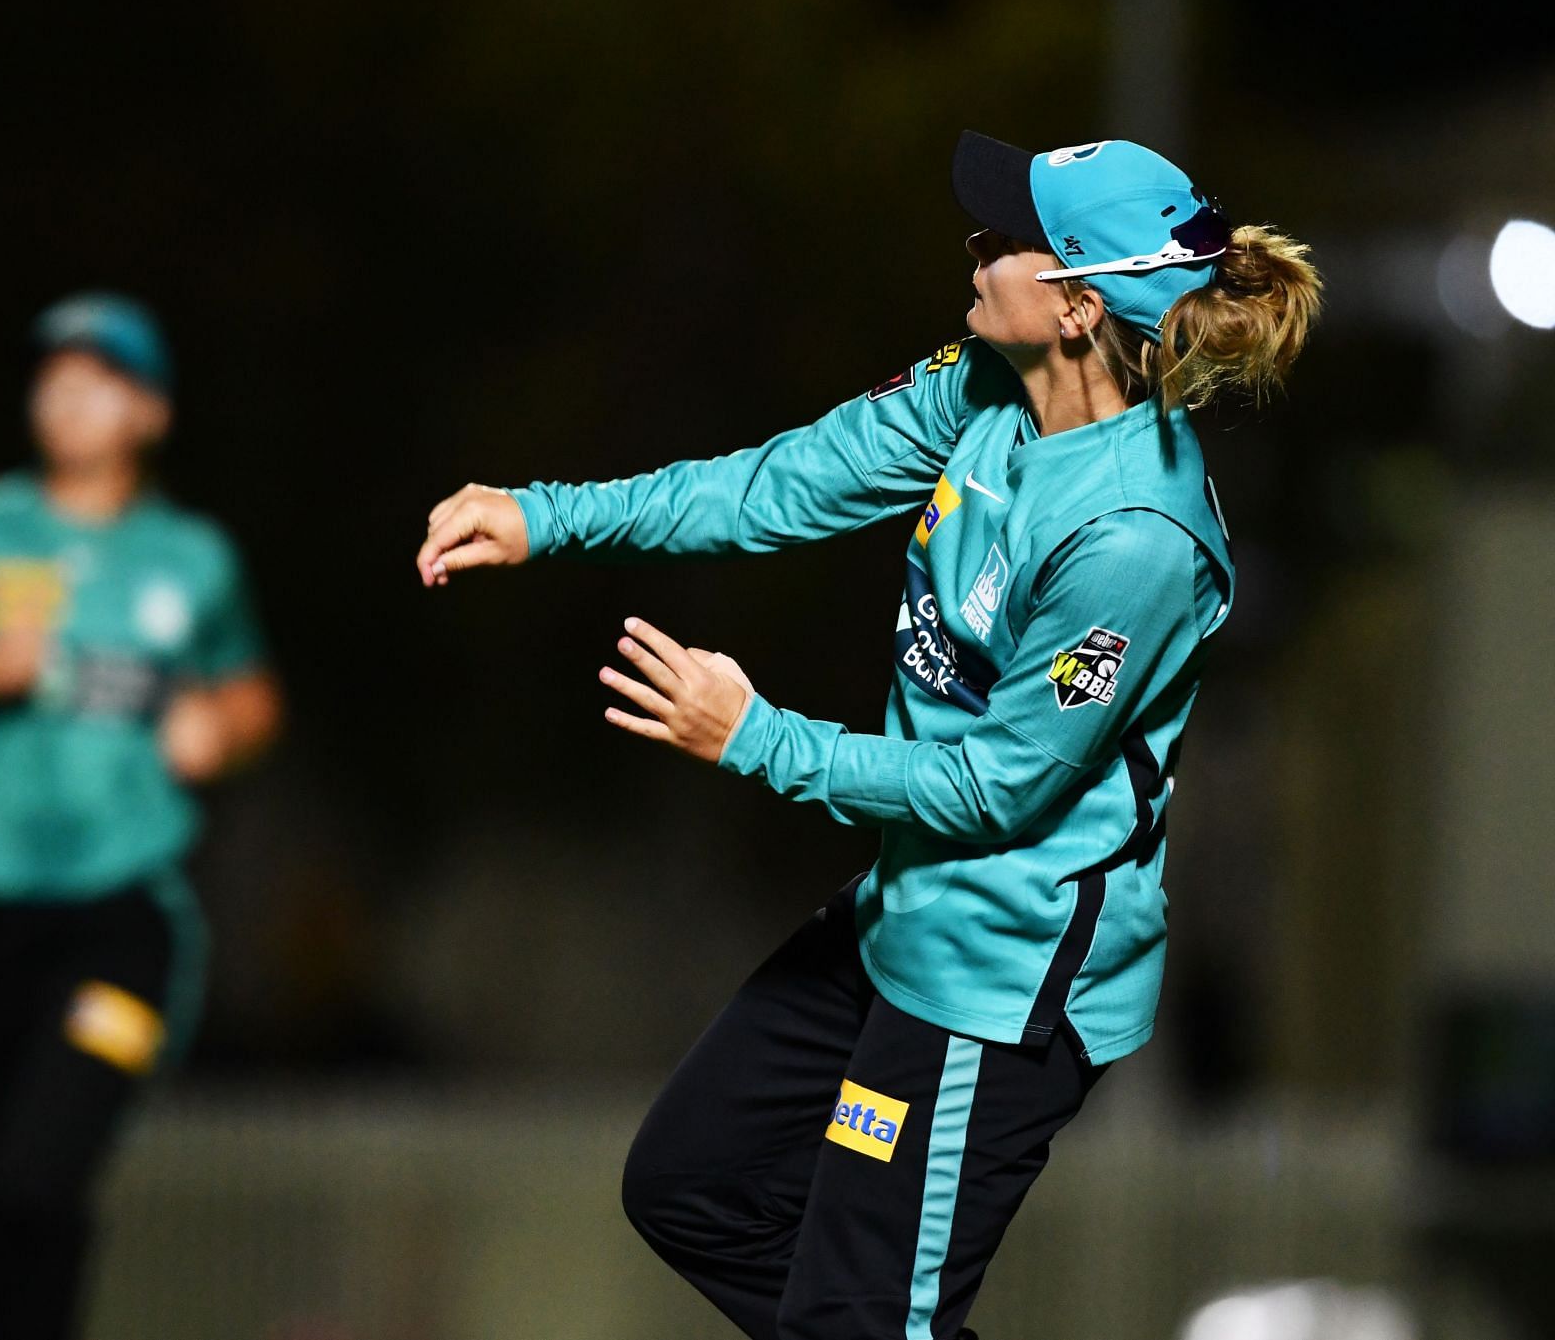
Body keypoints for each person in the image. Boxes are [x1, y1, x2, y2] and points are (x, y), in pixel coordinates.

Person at [414, 131, 1320, 1339]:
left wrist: (755, 737)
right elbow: (783, 485)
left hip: (1001, 978)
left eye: (1003, 241)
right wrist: (548, 516)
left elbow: (996, 791)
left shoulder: (1136, 536)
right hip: (910, 909)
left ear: (1075, 303)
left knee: (856, 1318)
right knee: (694, 1184)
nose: (976, 250)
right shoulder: (986, 389)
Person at [0, 292, 281, 1340]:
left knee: (43, 1163)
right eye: (55, 372)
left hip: (122, 916)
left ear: (152, 412)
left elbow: (251, 696)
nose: (69, 394)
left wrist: (218, 725)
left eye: (103, 377)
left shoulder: (191, 559)